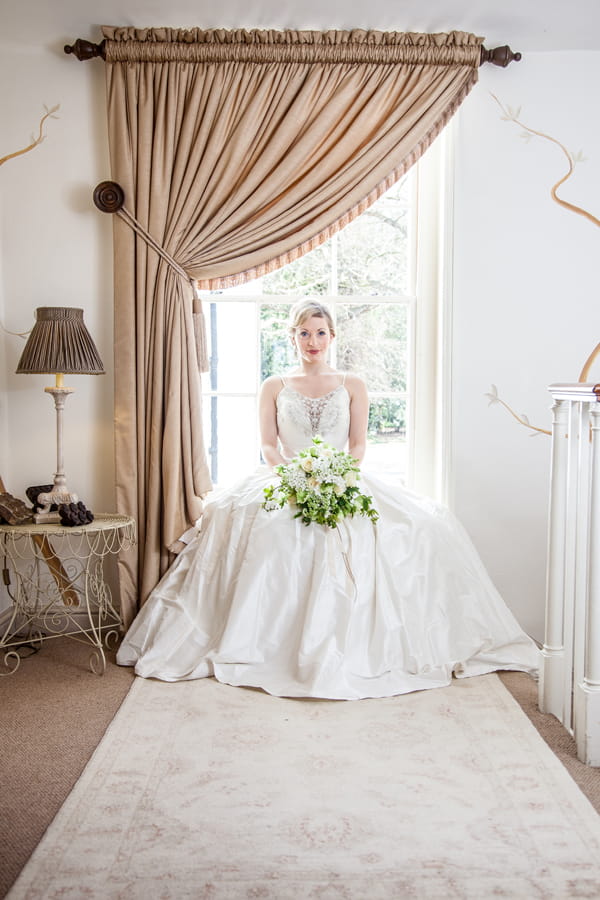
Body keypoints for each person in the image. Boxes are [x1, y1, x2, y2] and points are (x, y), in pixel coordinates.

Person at [117, 300, 539, 698]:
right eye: (304, 333)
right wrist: (294, 474)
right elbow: (267, 445)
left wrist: (335, 474)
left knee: (423, 523)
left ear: (332, 336)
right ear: (293, 337)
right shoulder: (274, 385)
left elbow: (358, 445)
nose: (313, 341)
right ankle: (263, 640)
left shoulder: (352, 384)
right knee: (260, 526)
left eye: (320, 333)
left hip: (341, 476)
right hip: (287, 475)